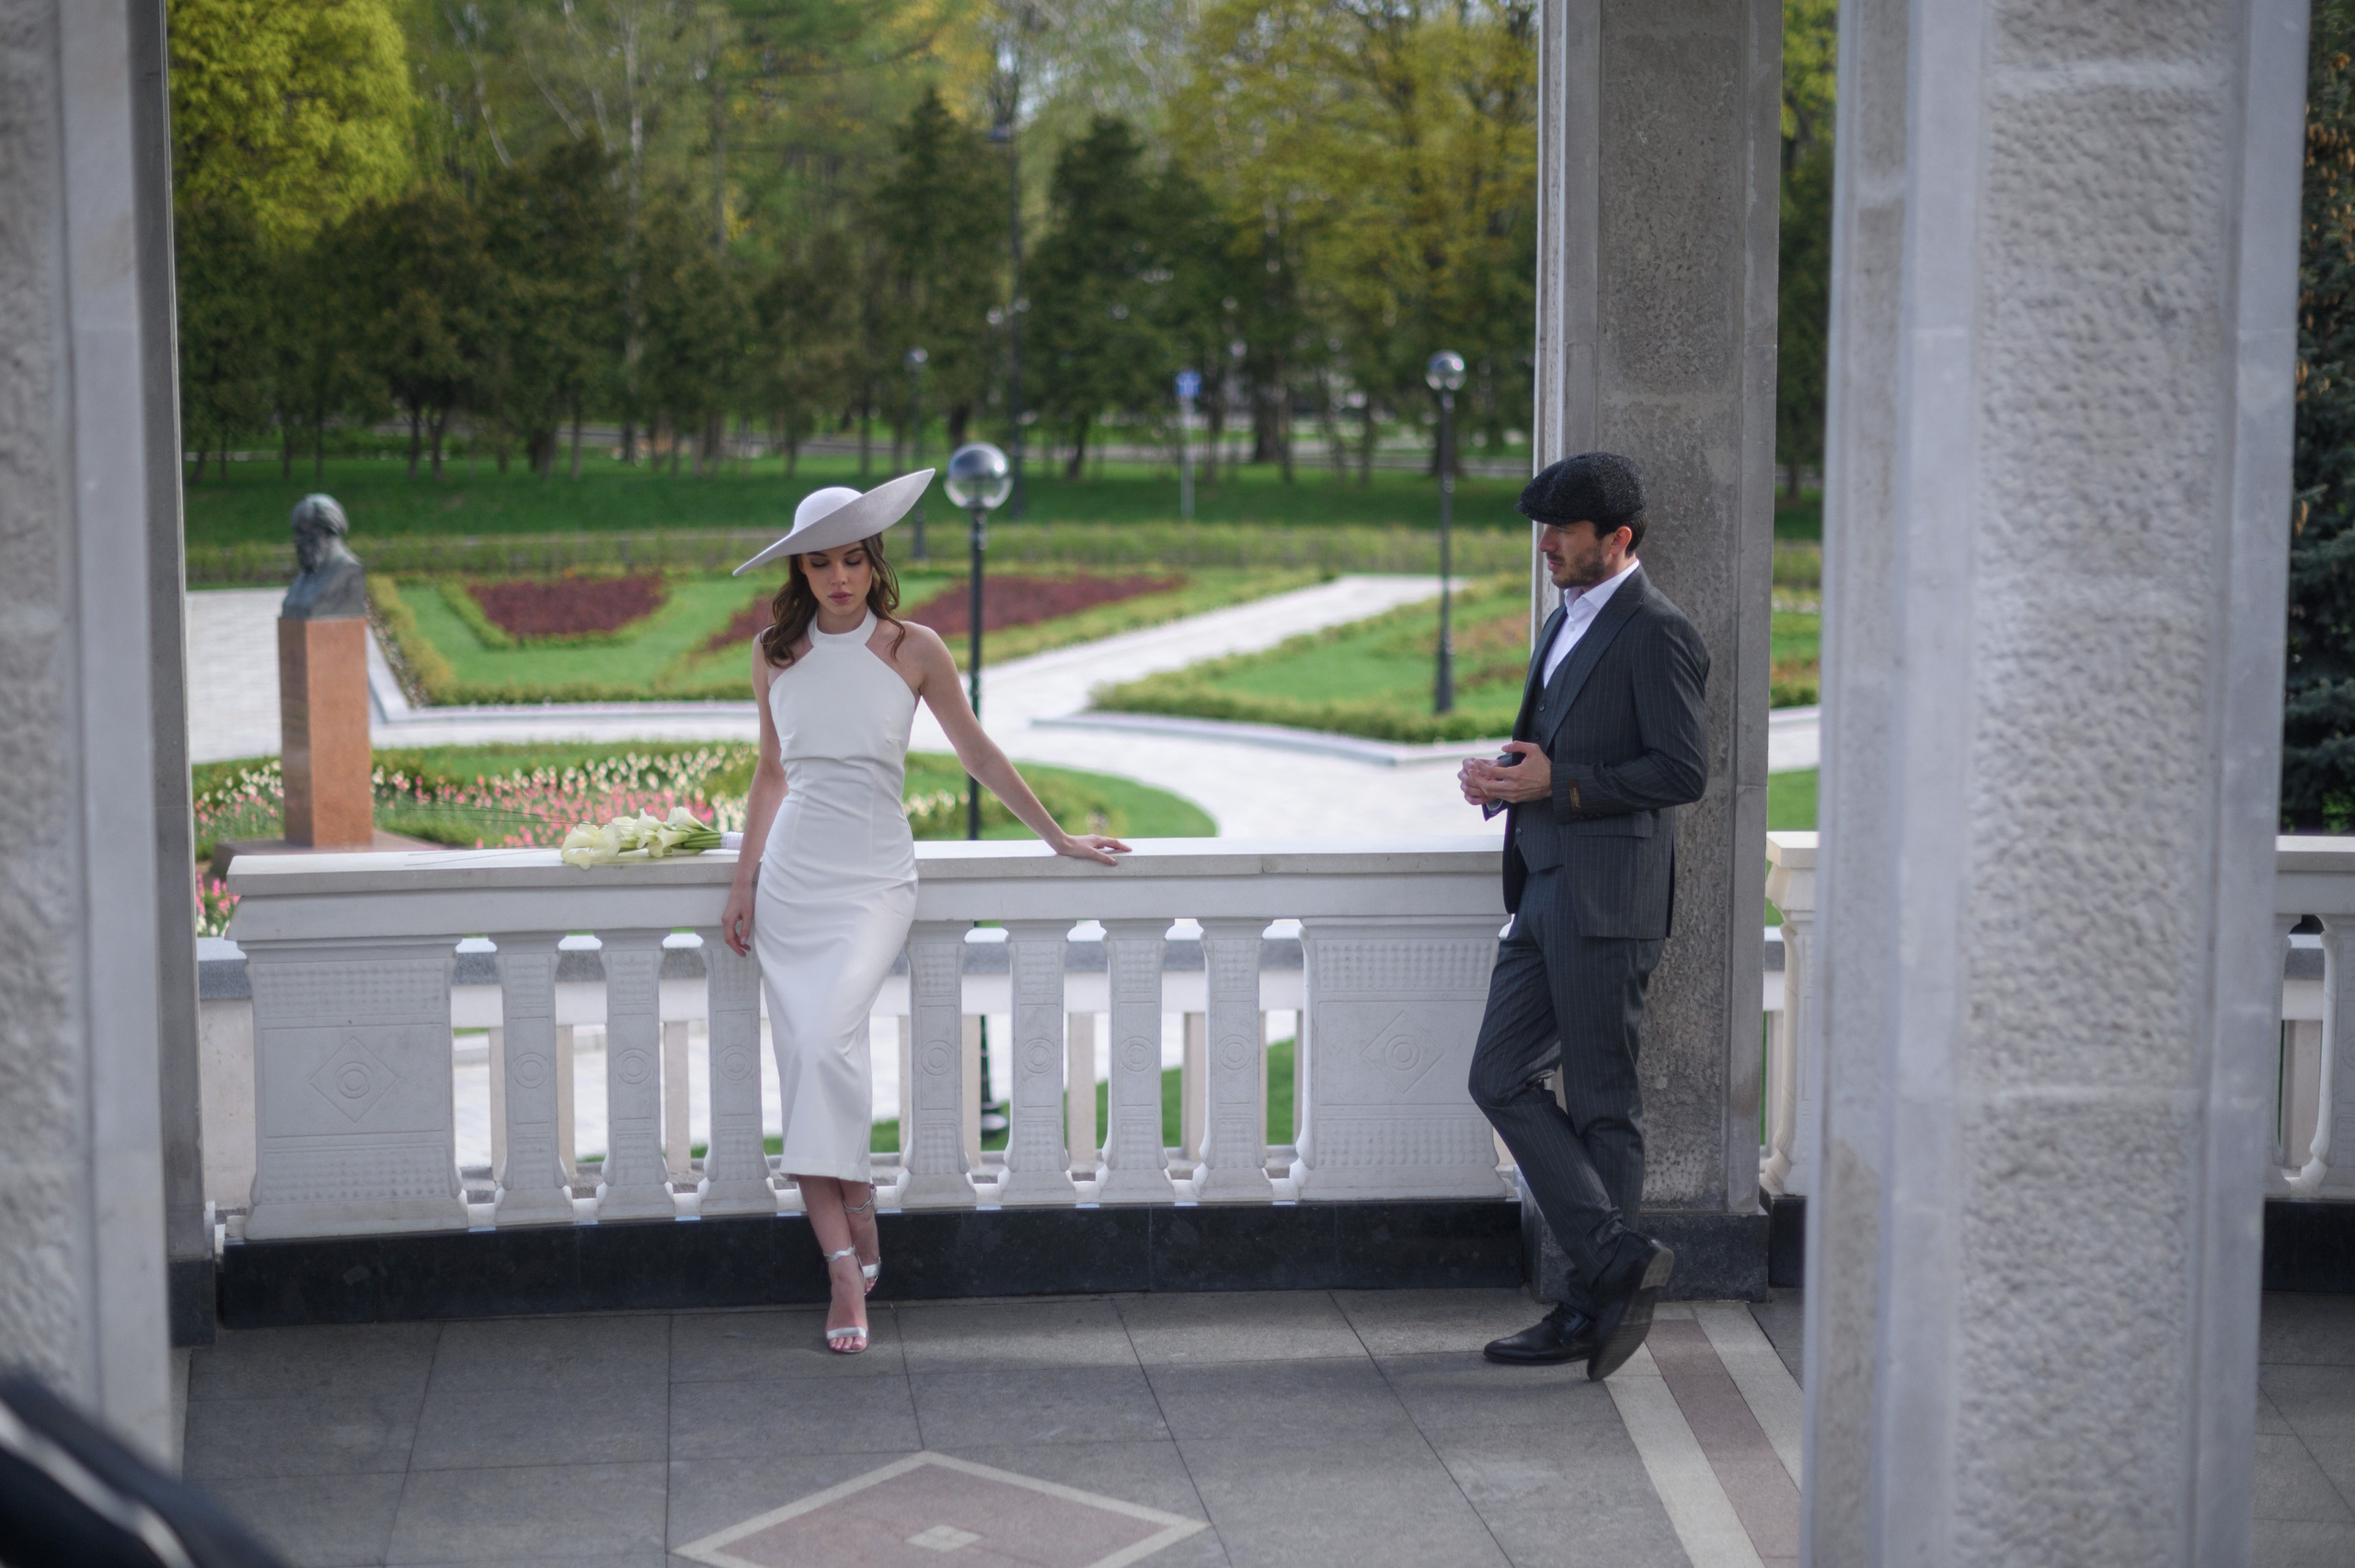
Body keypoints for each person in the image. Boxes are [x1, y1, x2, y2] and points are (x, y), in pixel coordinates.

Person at [717, 472, 1129, 1355]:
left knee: (825, 1043)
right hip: (791, 885)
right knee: (807, 1062)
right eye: (820, 563)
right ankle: (843, 1263)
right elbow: (771, 772)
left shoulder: (915, 648)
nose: (838, 577)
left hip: (873, 882)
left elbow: (977, 752)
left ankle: (859, 1201)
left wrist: (1058, 837)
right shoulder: (772, 652)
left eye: (852, 559)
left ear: (874, 562)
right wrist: (745, 880)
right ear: (800, 571)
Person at [1458, 452, 1709, 1381]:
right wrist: (1505, 781)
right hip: (1544, 886)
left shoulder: (1656, 631)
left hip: (1607, 901)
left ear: (1619, 537)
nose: (1546, 546)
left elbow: (1681, 770)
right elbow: (1557, 749)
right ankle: (1613, 1257)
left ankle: (1582, 1306)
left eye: (1563, 531)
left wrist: (1556, 783)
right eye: (1544, 529)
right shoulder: (1566, 618)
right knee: (1498, 1075)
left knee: (1604, 1105)